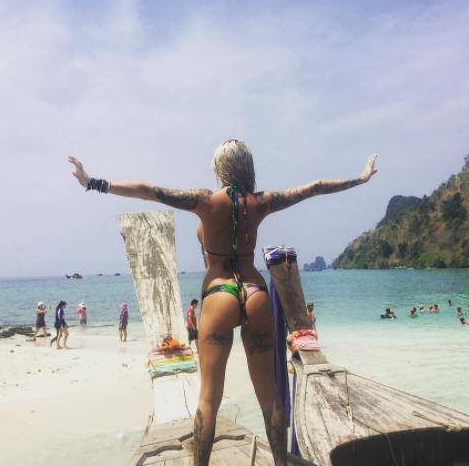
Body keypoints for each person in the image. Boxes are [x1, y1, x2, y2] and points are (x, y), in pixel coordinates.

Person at [68, 142, 378, 466]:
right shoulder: (261, 202)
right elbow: (314, 188)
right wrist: (361, 178)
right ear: (247, 167)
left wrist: (94, 183)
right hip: (255, 292)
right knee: (269, 395)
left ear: (219, 168)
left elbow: (150, 191)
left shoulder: (205, 201)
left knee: (208, 398)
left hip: (219, 294)